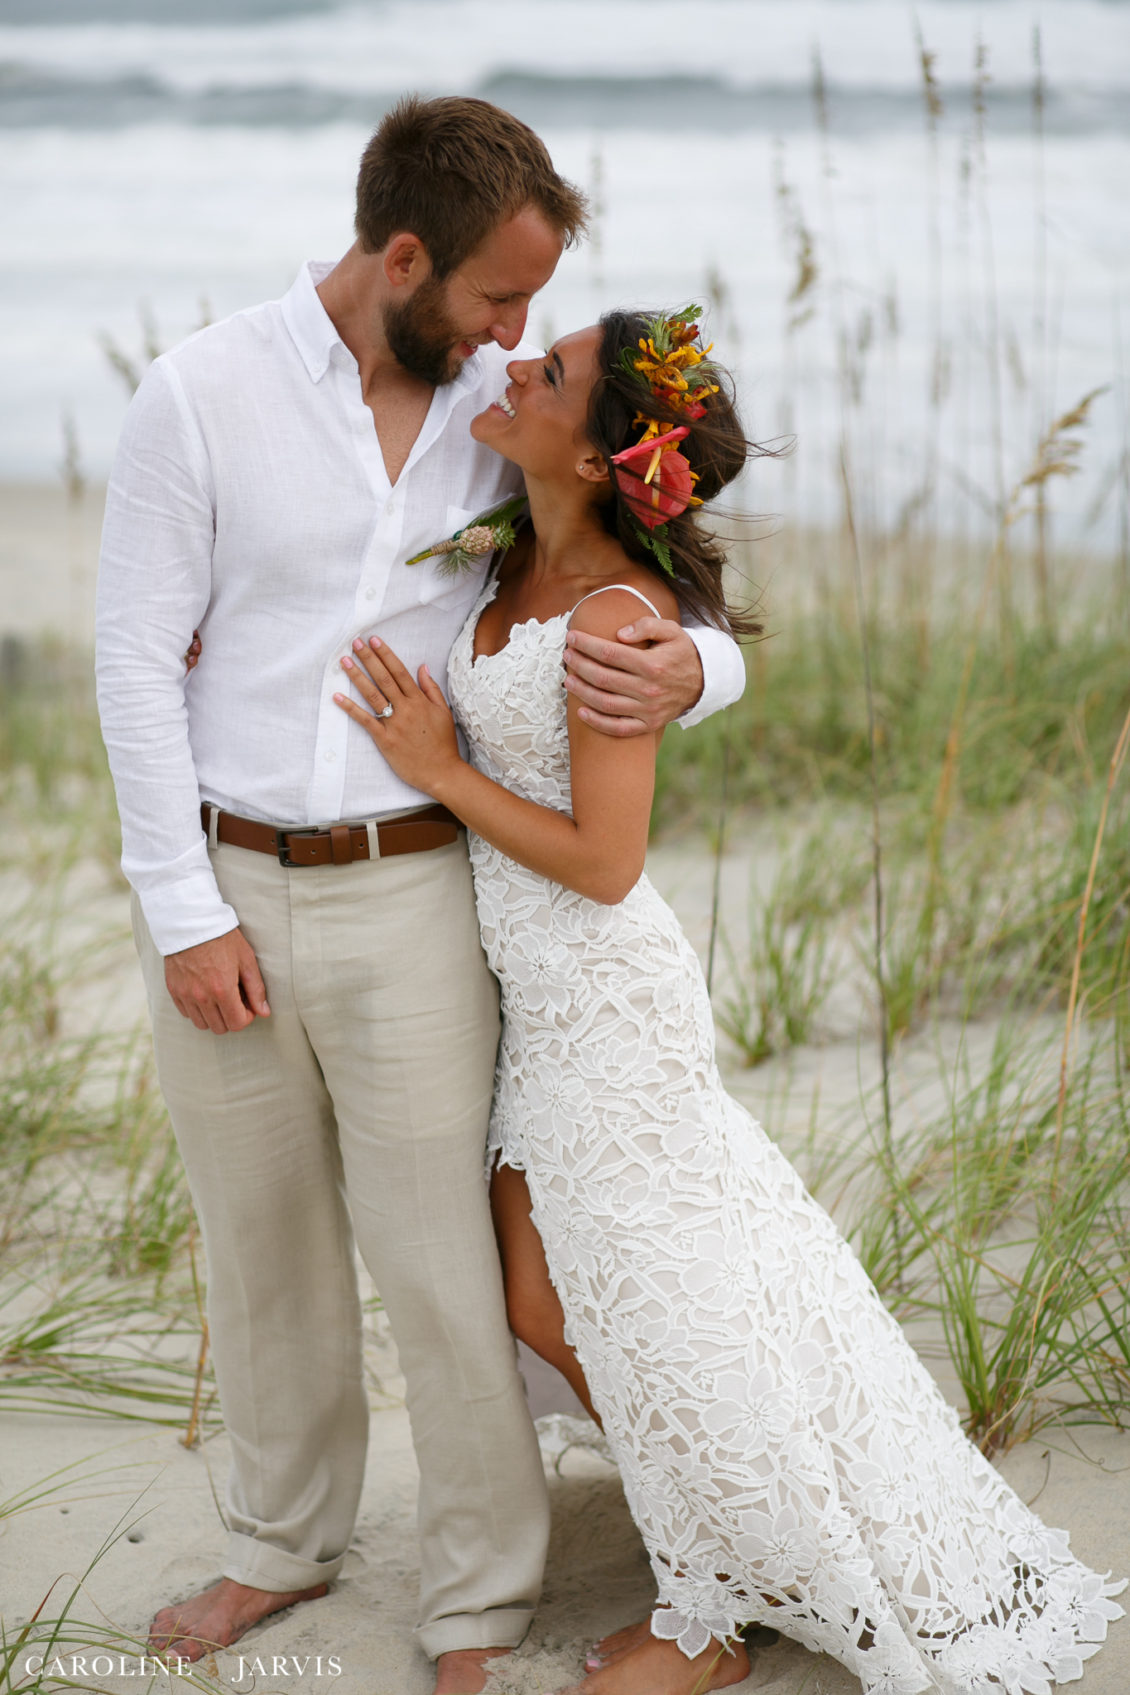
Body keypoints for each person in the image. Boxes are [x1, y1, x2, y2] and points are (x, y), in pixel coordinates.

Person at [333, 308, 1126, 1695]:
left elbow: (605, 860)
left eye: (551, 372)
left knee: (574, 1297)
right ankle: (738, 1536)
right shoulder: (510, 549)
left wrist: (442, 769)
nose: (515, 365)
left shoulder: (614, 619)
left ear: (598, 458)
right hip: (529, 997)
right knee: (584, 1298)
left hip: (601, 998)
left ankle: (709, 1609)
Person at [94, 99, 746, 1695]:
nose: (513, 334)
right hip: (229, 883)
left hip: (418, 893)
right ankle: (278, 1544)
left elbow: (636, 564)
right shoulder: (202, 393)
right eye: (494, 297)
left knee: (444, 1266)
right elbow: (134, 662)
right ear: (403, 258)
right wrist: (181, 910)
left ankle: (475, 1596)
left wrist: (698, 668)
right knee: (263, 1251)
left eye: (532, 309)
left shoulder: (504, 414)